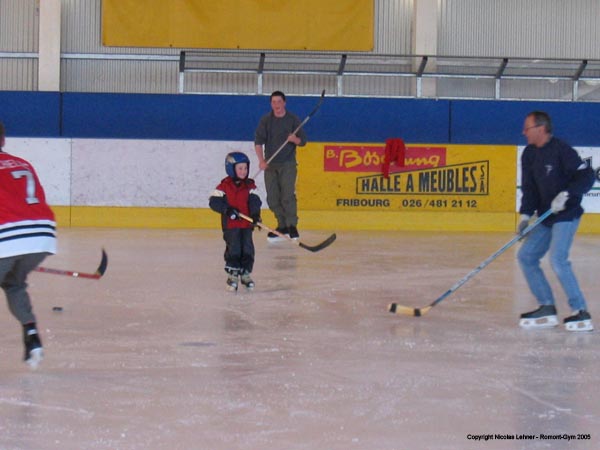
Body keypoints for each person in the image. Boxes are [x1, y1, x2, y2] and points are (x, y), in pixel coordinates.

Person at [517, 111, 595, 332]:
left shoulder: (562, 151)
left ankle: (580, 311)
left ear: (540, 129)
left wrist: (567, 194)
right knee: (526, 256)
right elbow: (529, 188)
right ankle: (546, 306)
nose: (523, 133)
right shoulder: (529, 155)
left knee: (558, 259)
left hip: (566, 214)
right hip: (545, 215)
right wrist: (524, 216)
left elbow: (587, 176)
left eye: (527, 128)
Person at [0, 121, 57, 368]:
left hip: (7, 237)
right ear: (2, 140)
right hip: (43, 235)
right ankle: (31, 332)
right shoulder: (22, 163)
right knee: (13, 284)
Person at [254, 91, 307, 242]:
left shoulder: (292, 119)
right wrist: (261, 160)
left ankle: (292, 226)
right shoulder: (266, 120)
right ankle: (282, 225)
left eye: (279, 102)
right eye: (273, 102)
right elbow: (258, 142)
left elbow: (303, 141)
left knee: (287, 196)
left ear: (284, 103)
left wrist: (294, 139)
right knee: (272, 198)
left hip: (288, 164)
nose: (276, 105)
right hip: (270, 164)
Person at [209, 152, 262, 291]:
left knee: (248, 248)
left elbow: (255, 202)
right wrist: (227, 210)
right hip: (231, 226)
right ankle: (233, 274)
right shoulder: (224, 186)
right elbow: (214, 202)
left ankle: (245, 273)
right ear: (231, 169)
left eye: (245, 168)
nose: (243, 171)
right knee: (234, 248)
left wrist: (256, 216)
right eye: (240, 168)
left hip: (246, 225)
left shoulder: (250, 185)